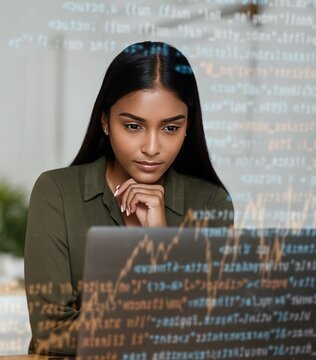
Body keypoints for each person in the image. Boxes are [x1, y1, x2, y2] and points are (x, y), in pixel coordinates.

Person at [24, 41, 234, 355]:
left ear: (189, 125)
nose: (152, 147)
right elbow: (52, 333)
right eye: (133, 126)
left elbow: (203, 333)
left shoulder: (212, 203)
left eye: (171, 127)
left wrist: (160, 240)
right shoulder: (57, 191)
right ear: (106, 121)